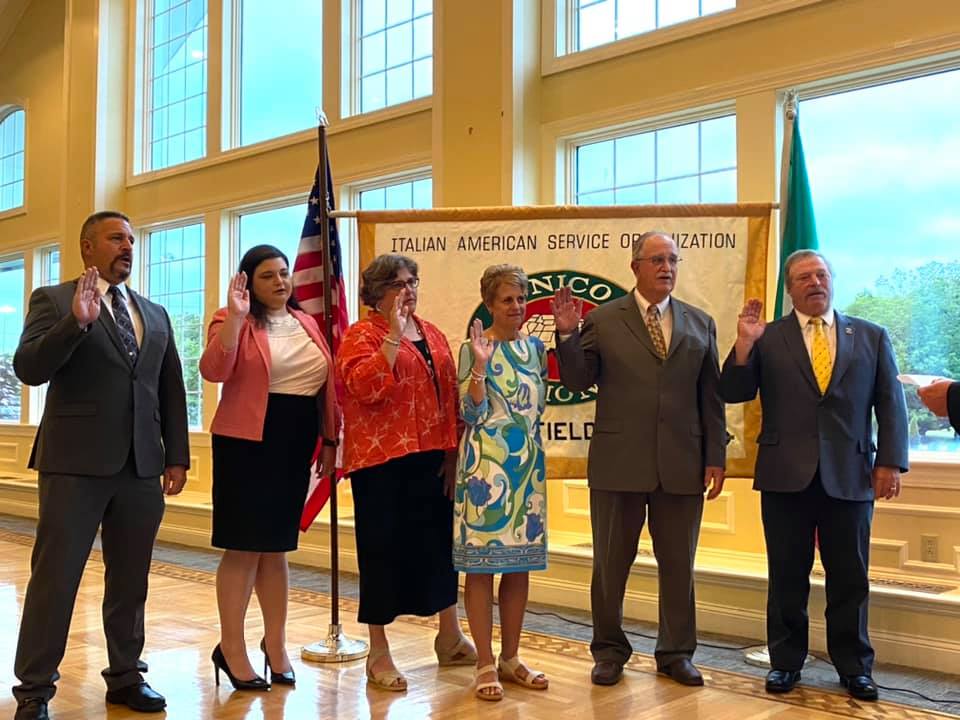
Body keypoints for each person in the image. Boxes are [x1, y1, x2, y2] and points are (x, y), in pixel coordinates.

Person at [11, 211, 190, 720]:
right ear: (87, 247)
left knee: (131, 581)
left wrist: (176, 455)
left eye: (131, 239)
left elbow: (170, 387)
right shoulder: (53, 299)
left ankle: (127, 676)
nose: (127, 246)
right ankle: (34, 691)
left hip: (142, 467)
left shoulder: (155, 313)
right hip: (74, 465)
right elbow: (29, 368)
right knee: (56, 580)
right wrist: (76, 323)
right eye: (116, 238)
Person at [720, 249, 908, 701]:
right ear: (790, 289)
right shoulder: (767, 337)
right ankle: (786, 662)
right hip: (785, 475)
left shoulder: (870, 335)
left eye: (821, 274)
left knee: (850, 577)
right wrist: (744, 345)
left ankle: (854, 667)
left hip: (851, 474)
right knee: (787, 575)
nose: (815, 282)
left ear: (832, 281)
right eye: (804, 277)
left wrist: (889, 462)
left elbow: (890, 403)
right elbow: (733, 391)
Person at [551, 231, 726, 688]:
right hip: (619, 462)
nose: (667, 268)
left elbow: (711, 397)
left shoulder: (700, 322)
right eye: (657, 260)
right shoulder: (604, 319)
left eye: (673, 260)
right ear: (635, 267)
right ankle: (609, 651)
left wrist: (715, 455)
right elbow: (577, 381)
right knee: (610, 565)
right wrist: (568, 334)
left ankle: (676, 653)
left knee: (678, 565)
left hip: (683, 463)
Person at [199, 245, 339, 691]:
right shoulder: (231, 318)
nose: (280, 282)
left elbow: (326, 387)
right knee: (244, 547)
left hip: (295, 441)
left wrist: (331, 439)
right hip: (246, 443)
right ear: (248, 282)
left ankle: (275, 645)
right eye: (267, 276)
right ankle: (231, 648)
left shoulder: (306, 322)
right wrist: (237, 319)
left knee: (277, 548)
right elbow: (213, 370)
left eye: (283, 273)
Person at [336, 253, 476, 692]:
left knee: (440, 549)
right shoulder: (361, 335)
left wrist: (452, 453)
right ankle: (378, 652)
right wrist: (393, 338)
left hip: (432, 456)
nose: (409, 289)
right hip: (381, 462)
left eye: (413, 281)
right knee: (382, 554)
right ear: (377, 291)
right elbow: (365, 388)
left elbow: (450, 395)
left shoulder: (432, 332)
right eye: (399, 283)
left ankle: (450, 636)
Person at [454, 264, 549, 701]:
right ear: (489, 304)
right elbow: (470, 414)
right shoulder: (472, 348)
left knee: (518, 565)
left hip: (526, 471)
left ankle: (511, 657)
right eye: (507, 299)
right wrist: (479, 366)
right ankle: (485, 662)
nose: (516, 306)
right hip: (484, 472)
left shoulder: (536, 348)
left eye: (521, 298)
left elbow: (537, 410)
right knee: (480, 569)